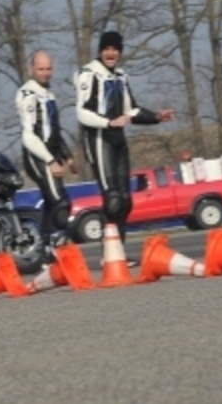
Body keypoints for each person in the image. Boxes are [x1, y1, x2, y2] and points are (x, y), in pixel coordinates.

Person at [74, 31, 174, 263]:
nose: (110, 53)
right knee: (113, 200)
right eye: (106, 48)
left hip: (118, 140)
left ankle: (117, 252)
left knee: (125, 201)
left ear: (120, 51)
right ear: (100, 51)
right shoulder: (88, 74)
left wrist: (157, 116)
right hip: (99, 140)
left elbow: (132, 111)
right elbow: (82, 112)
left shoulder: (120, 76)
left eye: (115, 49)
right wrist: (108, 122)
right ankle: (107, 254)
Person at [16, 50, 78, 259]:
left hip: (52, 155)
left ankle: (43, 253)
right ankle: (55, 249)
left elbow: (54, 132)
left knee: (53, 204)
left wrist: (67, 156)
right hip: (37, 157)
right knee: (61, 203)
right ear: (31, 69)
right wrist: (50, 160)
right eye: (41, 69)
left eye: (48, 69)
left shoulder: (48, 94)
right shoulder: (28, 94)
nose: (45, 73)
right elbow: (28, 135)